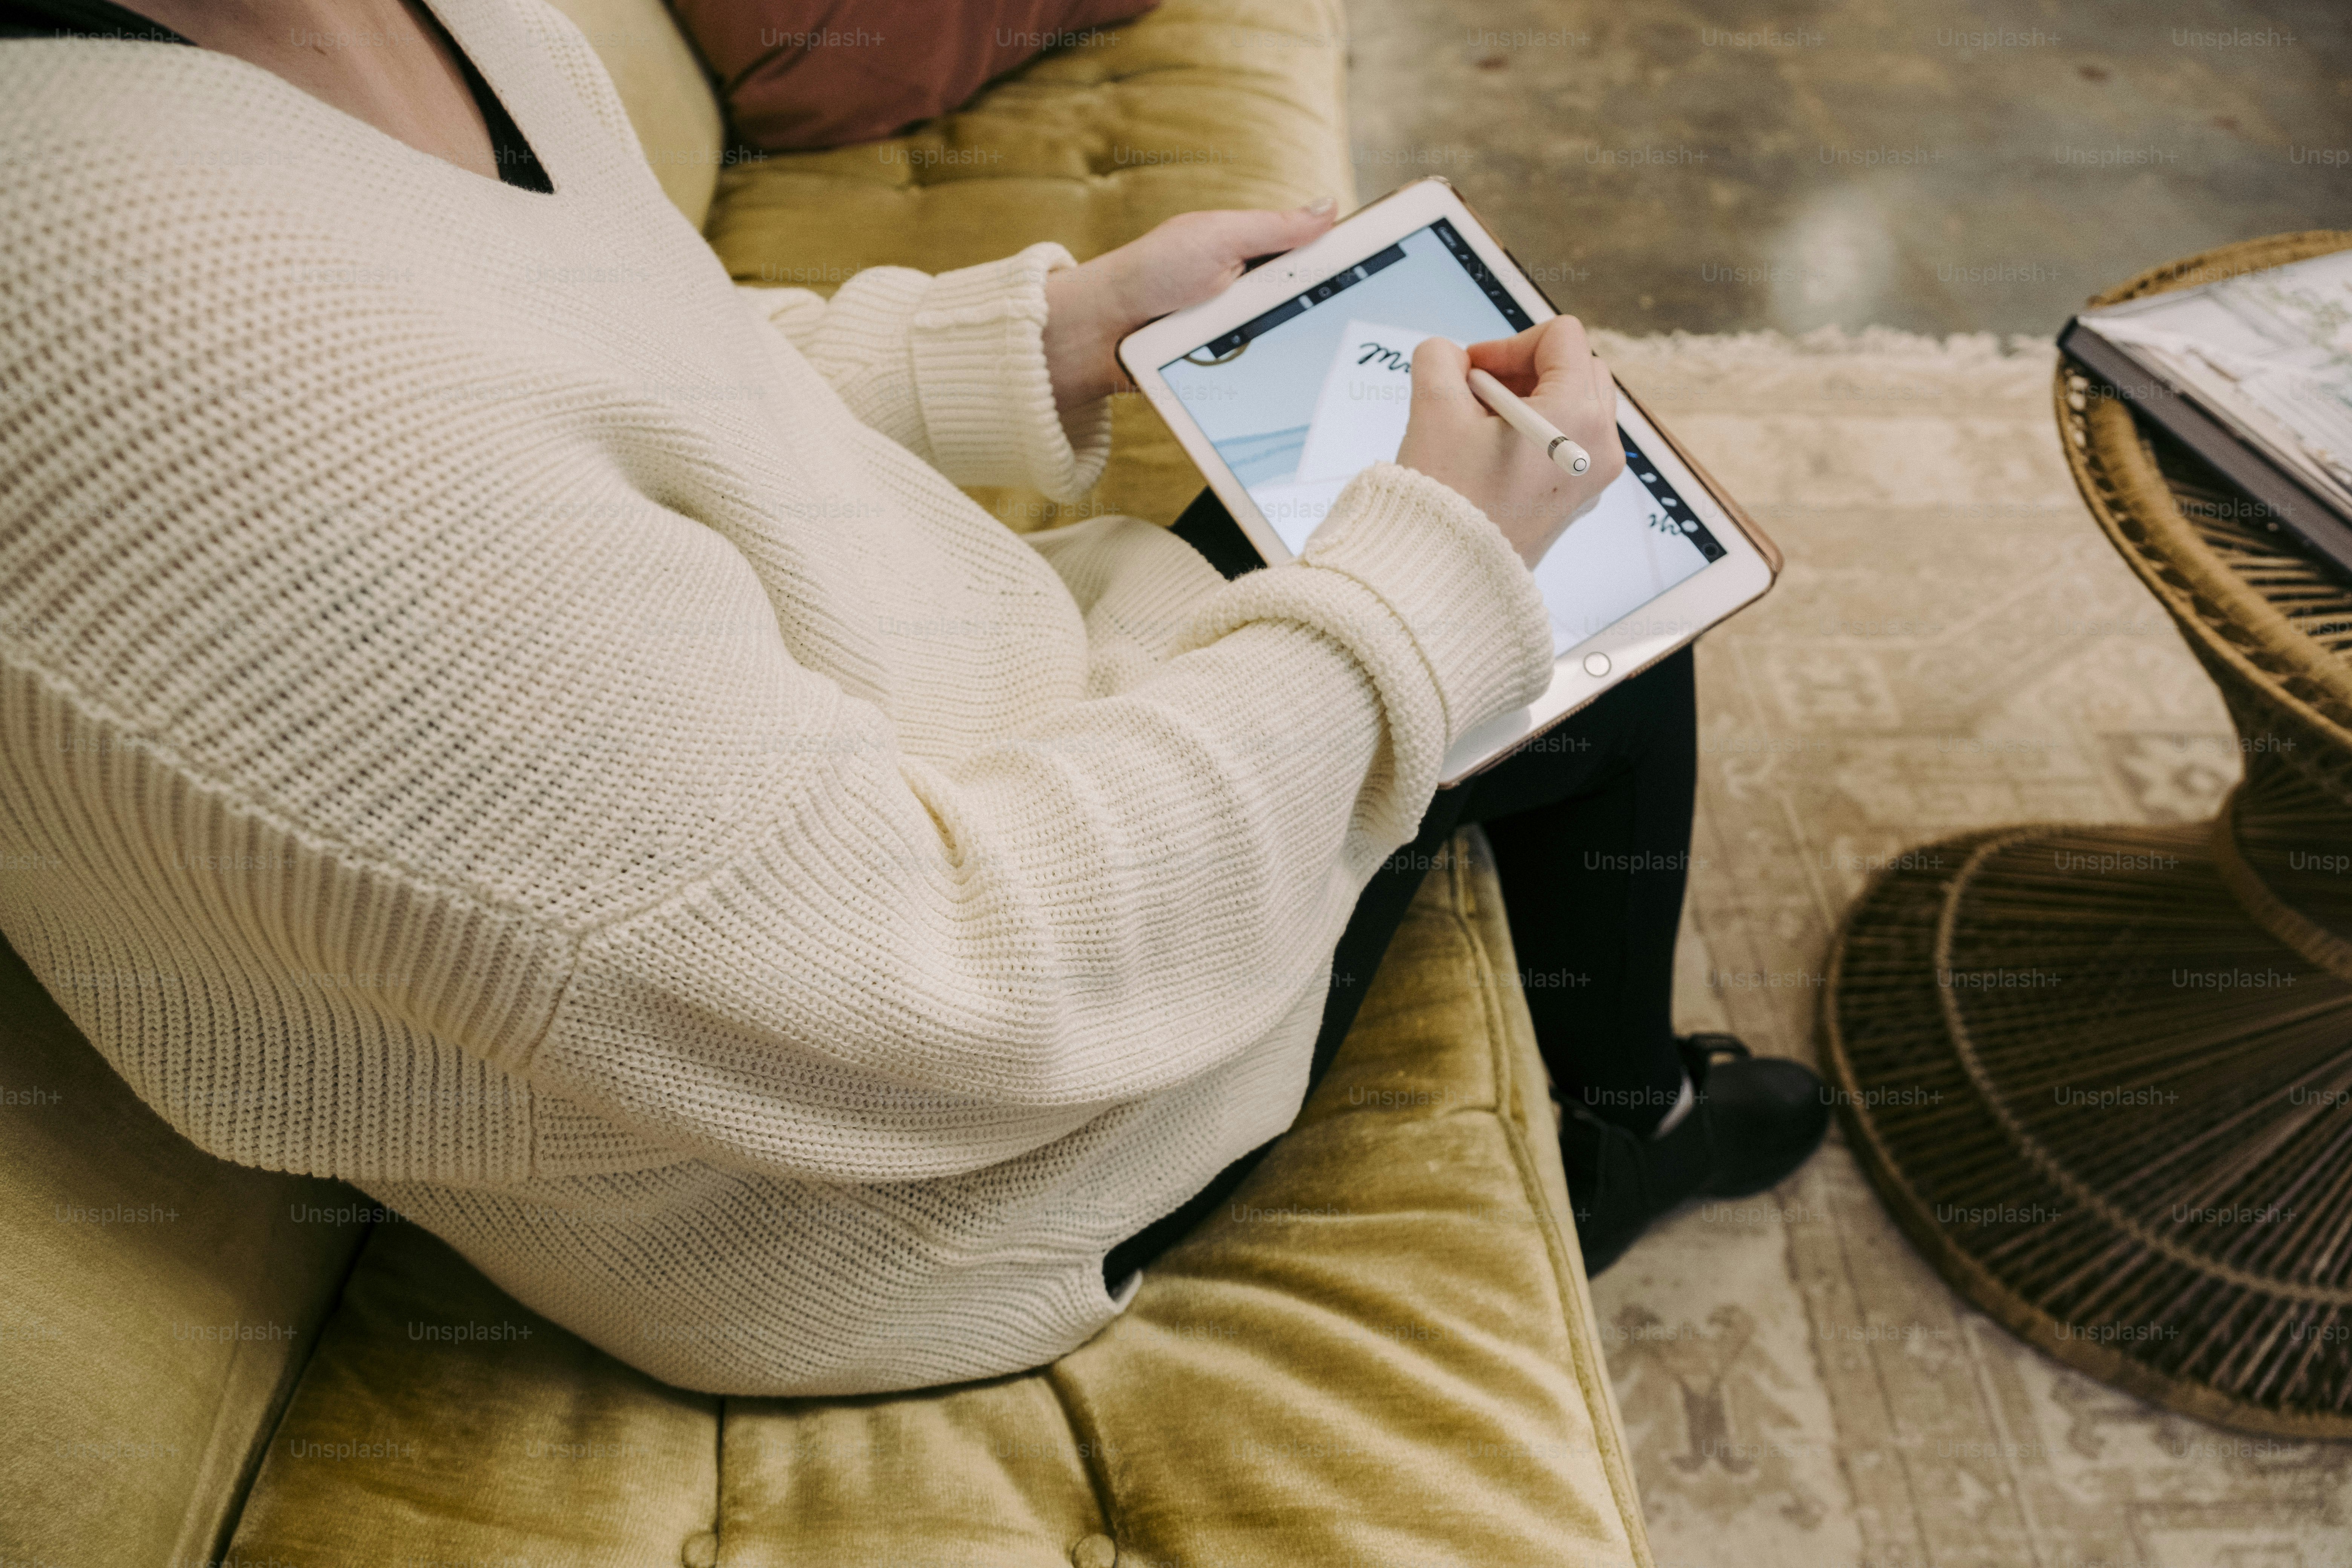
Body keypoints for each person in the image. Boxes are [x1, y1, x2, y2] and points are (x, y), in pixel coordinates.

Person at [0, 0, 1826, 1397]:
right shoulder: (105, 292)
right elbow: (918, 989)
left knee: (1549, 550)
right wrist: (1433, 580)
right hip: (905, 1187)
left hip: (982, 754)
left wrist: (1051, 335)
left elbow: (617, 375)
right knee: (1586, 631)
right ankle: (1621, 1127)